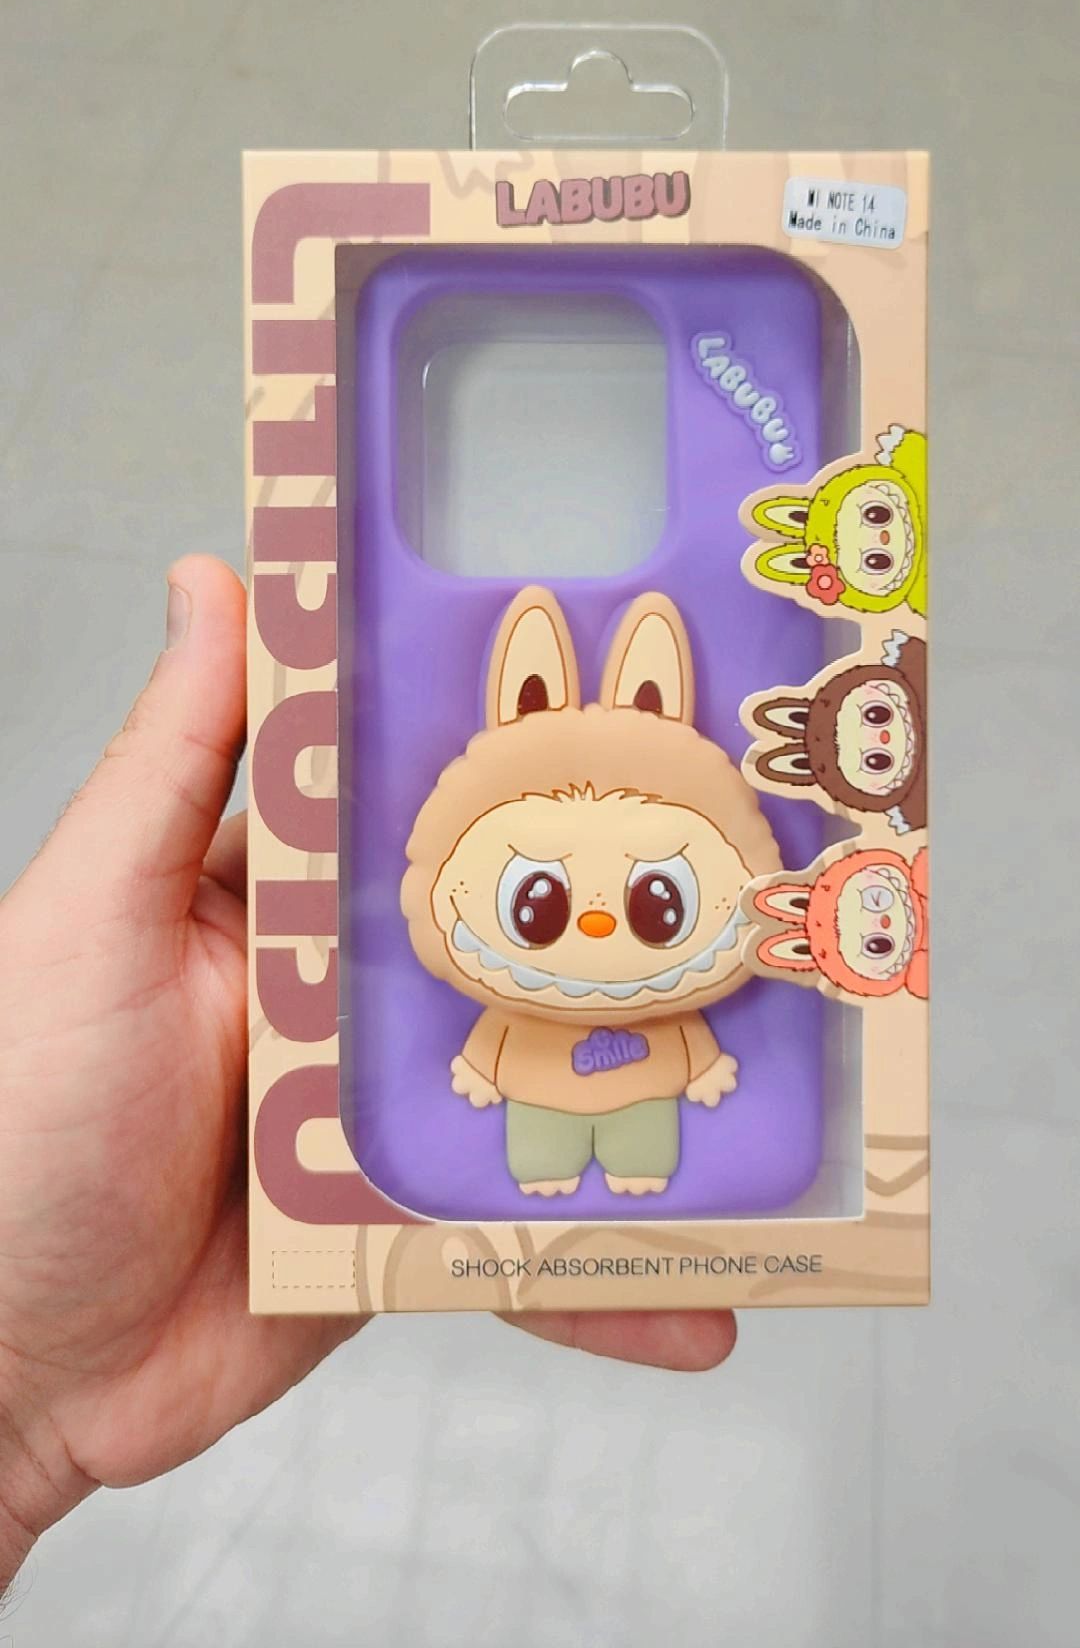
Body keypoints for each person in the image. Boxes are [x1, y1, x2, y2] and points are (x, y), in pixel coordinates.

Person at [0, 557, 735, 1595]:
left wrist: (23, 1410)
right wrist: (19, 1394)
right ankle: (554, 1168)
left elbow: (681, 1038)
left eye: (657, 904)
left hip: (637, 1088)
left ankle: (629, 1169)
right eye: (537, 906)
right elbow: (489, 1042)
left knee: (638, 1148)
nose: (602, 930)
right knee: (541, 1149)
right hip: (530, 1096)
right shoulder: (485, 976)